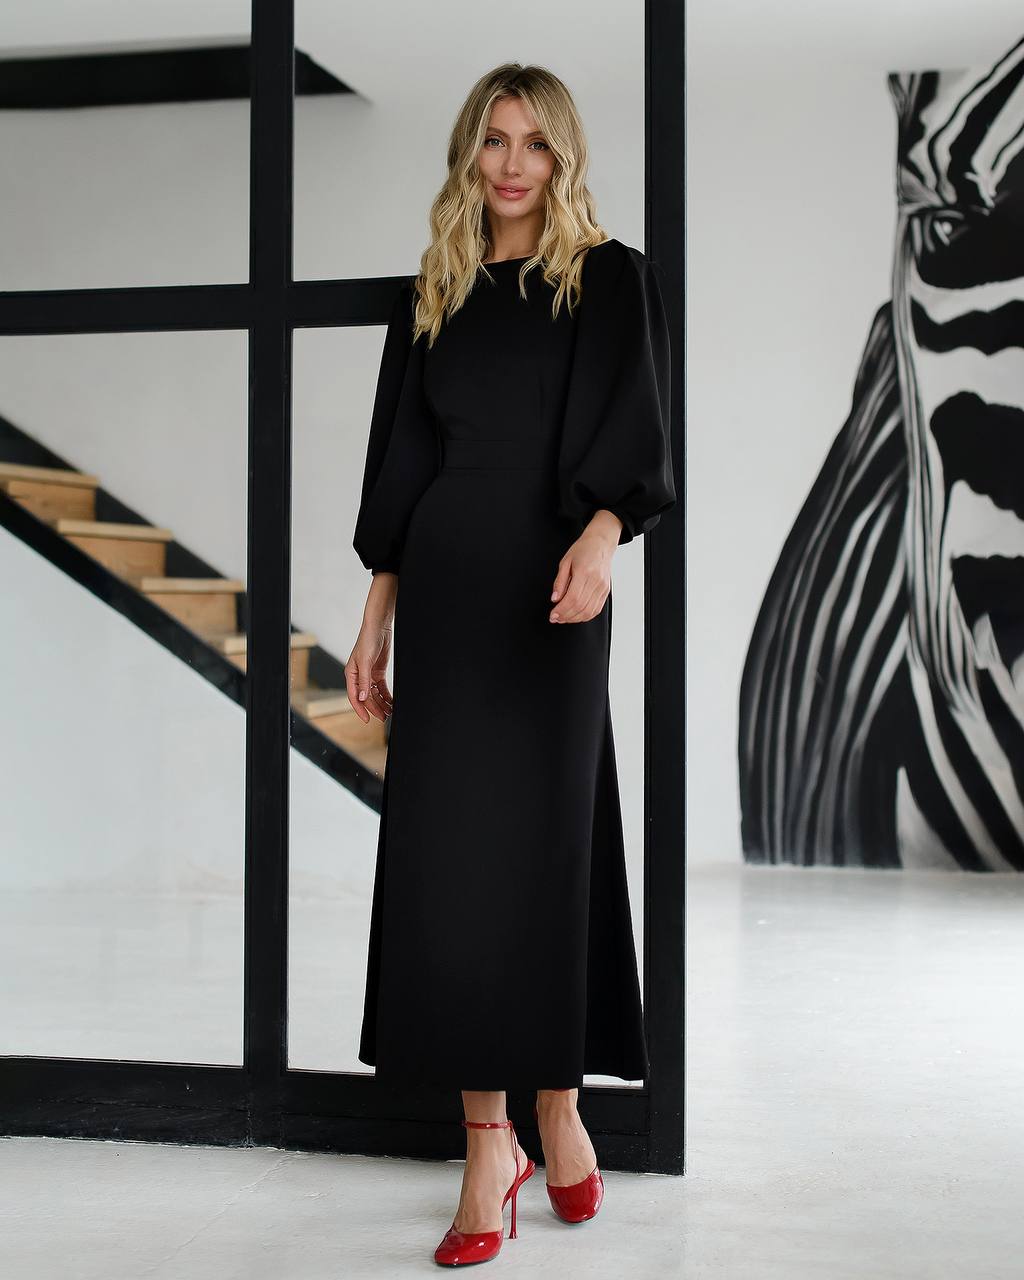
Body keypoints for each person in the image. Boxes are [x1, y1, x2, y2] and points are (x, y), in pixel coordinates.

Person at [344, 62, 675, 1268]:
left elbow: (634, 430)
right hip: (445, 588)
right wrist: (378, 611)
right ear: (469, 153)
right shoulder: (433, 290)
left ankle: (558, 1102)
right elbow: (400, 463)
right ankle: (489, 1138)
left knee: (549, 849)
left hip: (553, 592)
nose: (513, 163)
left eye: (534, 142)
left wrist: (601, 535)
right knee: (452, 856)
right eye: (493, 140)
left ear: (563, 154)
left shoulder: (606, 278)